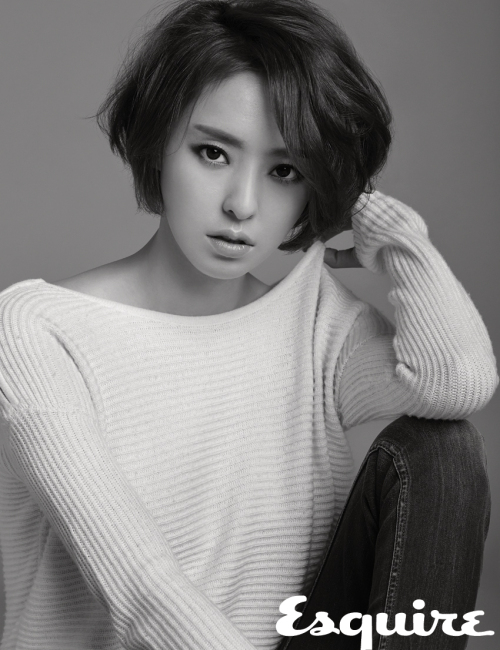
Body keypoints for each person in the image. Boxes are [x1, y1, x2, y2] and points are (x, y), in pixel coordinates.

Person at [0, 0, 497, 648]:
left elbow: (457, 380)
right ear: (158, 143)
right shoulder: (39, 329)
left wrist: (398, 238)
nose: (242, 204)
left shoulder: (316, 323)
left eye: (285, 171)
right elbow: (142, 593)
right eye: (213, 153)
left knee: (445, 451)